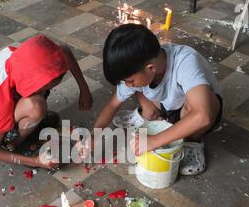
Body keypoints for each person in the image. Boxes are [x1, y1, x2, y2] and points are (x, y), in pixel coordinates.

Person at [87, 24, 223, 175]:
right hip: (168, 105)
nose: (127, 84)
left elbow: (203, 115)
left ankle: (193, 141)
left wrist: (154, 141)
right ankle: (150, 113)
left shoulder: (185, 61)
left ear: (151, 68)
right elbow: (112, 105)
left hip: (193, 112)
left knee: (199, 105)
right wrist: (94, 135)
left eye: (129, 80)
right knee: (137, 86)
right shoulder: (142, 64)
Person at [0, 34, 93, 169]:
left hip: (3, 108)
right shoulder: (1, 101)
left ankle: (30, 123)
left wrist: (84, 90)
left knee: (38, 103)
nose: (45, 93)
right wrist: (36, 162)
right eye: (43, 89)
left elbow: (64, 51)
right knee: (36, 106)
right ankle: (13, 143)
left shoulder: (23, 59)